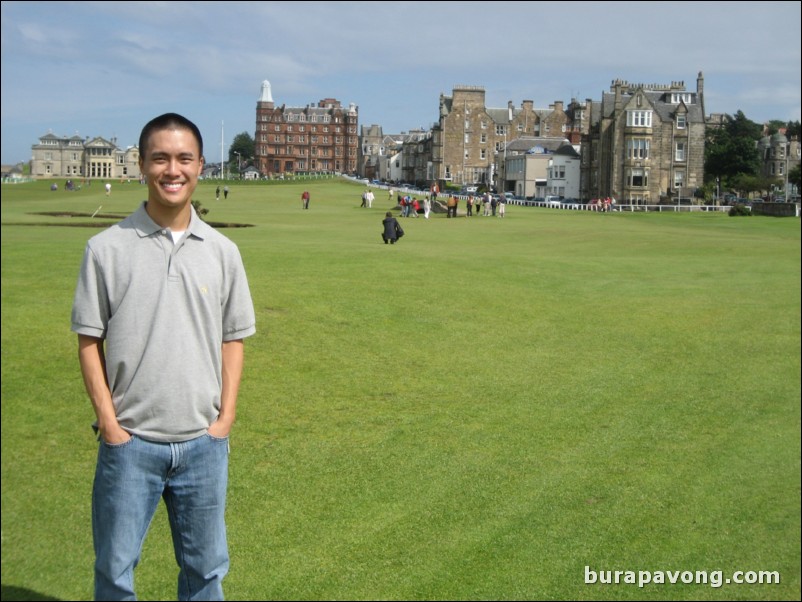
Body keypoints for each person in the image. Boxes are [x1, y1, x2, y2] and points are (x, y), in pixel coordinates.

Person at [71, 112, 257, 601]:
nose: (172, 170)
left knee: (205, 574)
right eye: (160, 158)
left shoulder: (223, 251)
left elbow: (233, 338)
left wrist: (226, 419)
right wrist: (109, 425)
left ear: (199, 167)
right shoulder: (105, 249)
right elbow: (89, 340)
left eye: (184, 158)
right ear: (141, 165)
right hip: (130, 445)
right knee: (114, 572)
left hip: (203, 444)